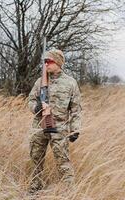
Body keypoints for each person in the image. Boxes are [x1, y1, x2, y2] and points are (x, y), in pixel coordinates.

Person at [27, 49, 82, 194]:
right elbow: (30, 100)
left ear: (58, 62)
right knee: (35, 160)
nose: (46, 64)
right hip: (39, 126)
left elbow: (76, 109)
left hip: (59, 128)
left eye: (49, 61)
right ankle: (34, 190)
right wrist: (37, 107)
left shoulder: (71, 83)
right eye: (44, 61)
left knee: (63, 161)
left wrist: (75, 129)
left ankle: (69, 192)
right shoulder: (40, 81)